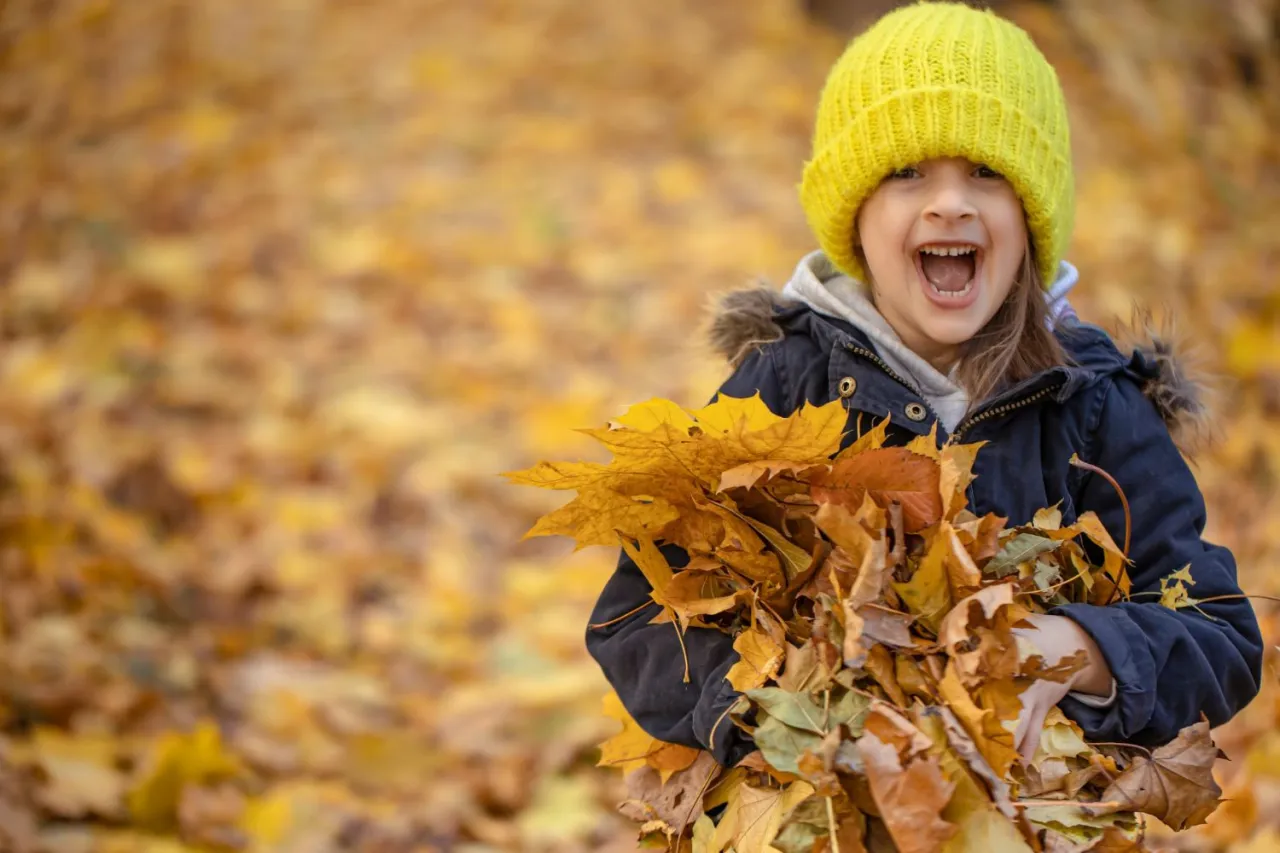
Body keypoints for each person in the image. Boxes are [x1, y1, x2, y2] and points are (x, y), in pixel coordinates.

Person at [585, 1, 1262, 767]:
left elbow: (1220, 635)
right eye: (906, 173)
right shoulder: (788, 382)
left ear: (1031, 215)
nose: (949, 202)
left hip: (1025, 804)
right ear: (857, 215)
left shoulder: (1090, 404)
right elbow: (636, 619)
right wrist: (783, 712)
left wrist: (1079, 649)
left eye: (987, 172)